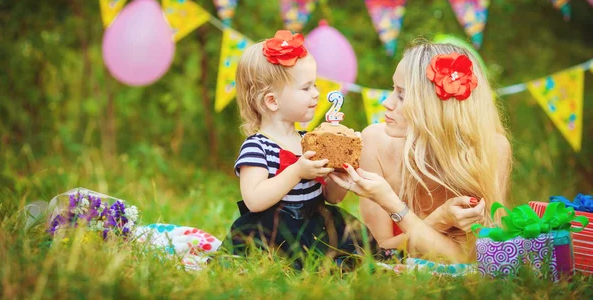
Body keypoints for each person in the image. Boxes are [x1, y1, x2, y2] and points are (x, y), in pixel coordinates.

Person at [330, 41, 512, 263]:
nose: (387, 103)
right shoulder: (375, 142)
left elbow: (470, 257)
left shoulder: (492, 150)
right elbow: (382, 253)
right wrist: (440, 219)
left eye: (402, 96)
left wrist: (395, 205)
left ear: (435, 107)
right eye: (393, 90)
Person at [219, 30, 377, 268]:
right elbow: (254, 200)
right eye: (306, 88)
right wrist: (296, 172)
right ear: (272, 101)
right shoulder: (257, 146)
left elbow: (331, 198)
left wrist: (341, 172)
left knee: (350, 253)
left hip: (315, 223)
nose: (316, 94)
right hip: (273, 231)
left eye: (315, 85)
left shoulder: (310, 140)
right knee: (288, 262)